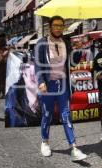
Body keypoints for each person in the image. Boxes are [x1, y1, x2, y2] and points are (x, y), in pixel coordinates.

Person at [34, 16, 87, 161]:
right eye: (55, 25)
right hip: (48, 85)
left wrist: (78, 51)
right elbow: (38, 64)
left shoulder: (66, 42)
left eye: (61, 25)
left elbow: (72, 64)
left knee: (66, 114)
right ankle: (45, 142)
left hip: (63, 84)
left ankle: (74, 148)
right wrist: (40, 81)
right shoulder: (41, 43)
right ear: (50, 27)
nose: (58, 28)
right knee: (47, 114)